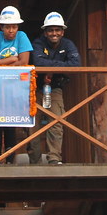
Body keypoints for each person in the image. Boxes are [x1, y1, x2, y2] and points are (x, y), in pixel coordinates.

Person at [29, 11, 81, 165]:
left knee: (57, 122)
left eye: (57, 30)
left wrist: (50, 68)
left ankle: (54, 158)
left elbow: (76, 65)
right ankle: (35, 160)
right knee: (33, 124)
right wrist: (59, 67)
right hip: (34, 88)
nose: (54, 33)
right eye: (50, 30)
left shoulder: (68, 44)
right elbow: (38, 63)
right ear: (45, 32)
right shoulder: (38, 43)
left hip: (56, 88)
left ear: (62, 32)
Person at [0, 5, 33, 161]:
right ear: (2, 27)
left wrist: (1, 63)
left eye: (14, 26)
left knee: (11, 121)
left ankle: (10, 159)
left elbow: (24, 62)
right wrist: (11, 60)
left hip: (16, 86)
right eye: (8, 27)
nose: (11, 30)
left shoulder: (22, 36)